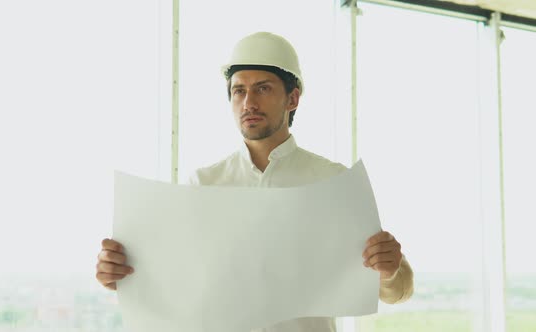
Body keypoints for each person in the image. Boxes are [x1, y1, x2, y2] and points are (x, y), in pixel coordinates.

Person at [96, 31, 414, 332]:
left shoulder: (332, 181)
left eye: (263, 88)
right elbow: (173, 283)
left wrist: (390, 269)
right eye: (239, 90)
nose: (248, 102)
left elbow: (398, 290)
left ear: (293, 99)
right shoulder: (202, 185)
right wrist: (121, 277)